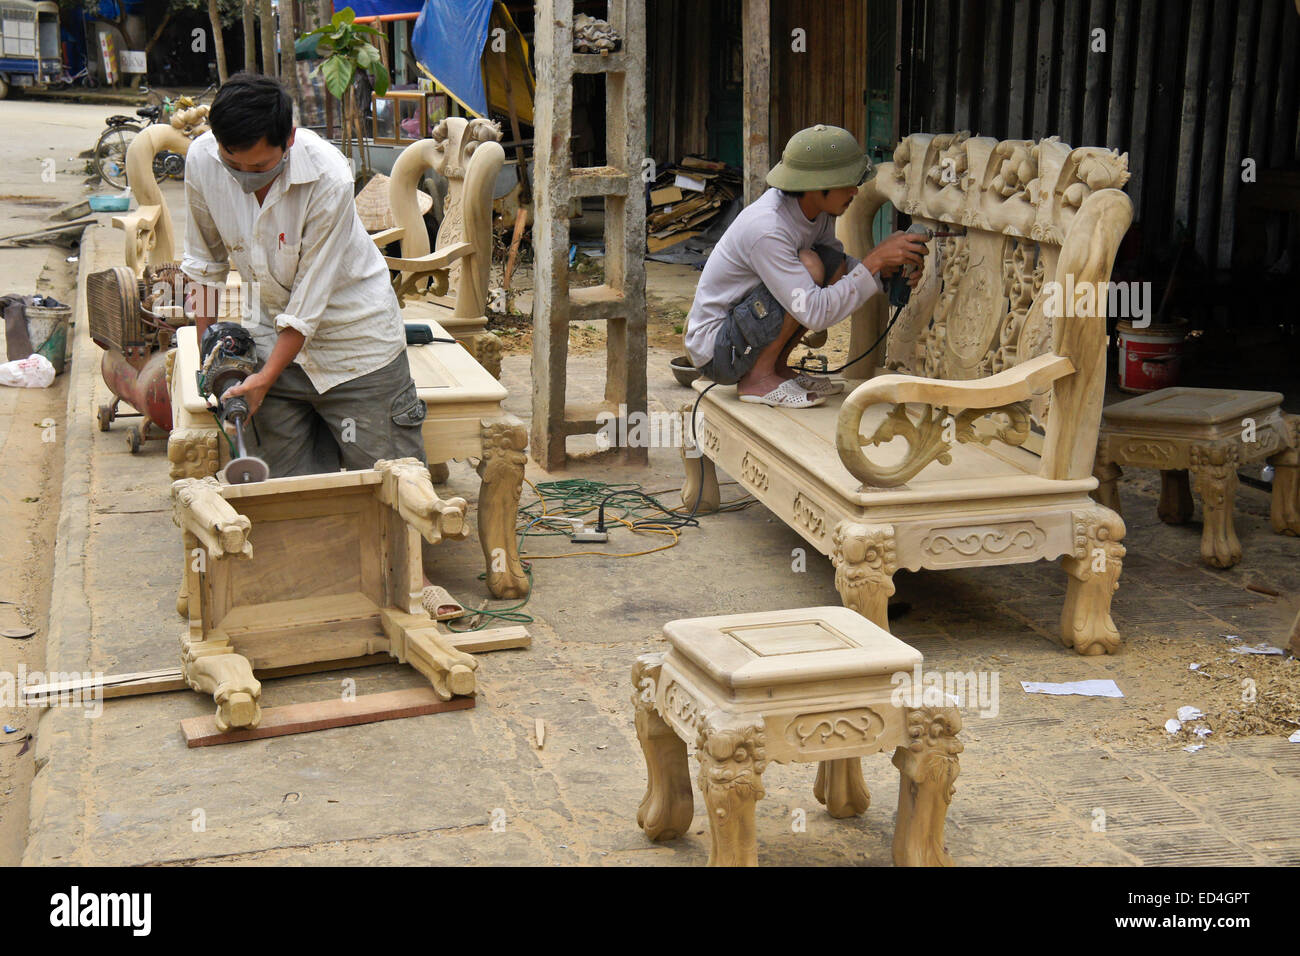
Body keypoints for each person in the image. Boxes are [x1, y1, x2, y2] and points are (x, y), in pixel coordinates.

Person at [181, 71, 426, 477]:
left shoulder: (328, 177)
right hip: (267, 340)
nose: (245, 176)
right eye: (232, 163)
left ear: (289, 139)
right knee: (288, 497)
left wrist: (264, 379)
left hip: (356, 350)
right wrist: (209, 353)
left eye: (259, 166)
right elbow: (205, 267)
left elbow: (308, 304)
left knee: (394, 485)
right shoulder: (202, 161)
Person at [683, 124, 930, 408]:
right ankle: (757, 379)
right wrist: (874, 262)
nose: (855, 190)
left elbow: (839, 266)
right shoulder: (768, 227)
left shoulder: (819, 211)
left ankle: (776, 368)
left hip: (744, 332)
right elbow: (814, 313)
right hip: (718, 351)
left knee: (828, 261)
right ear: (814, 186)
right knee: (811, 266)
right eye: (846, 182)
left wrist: (886, 268)